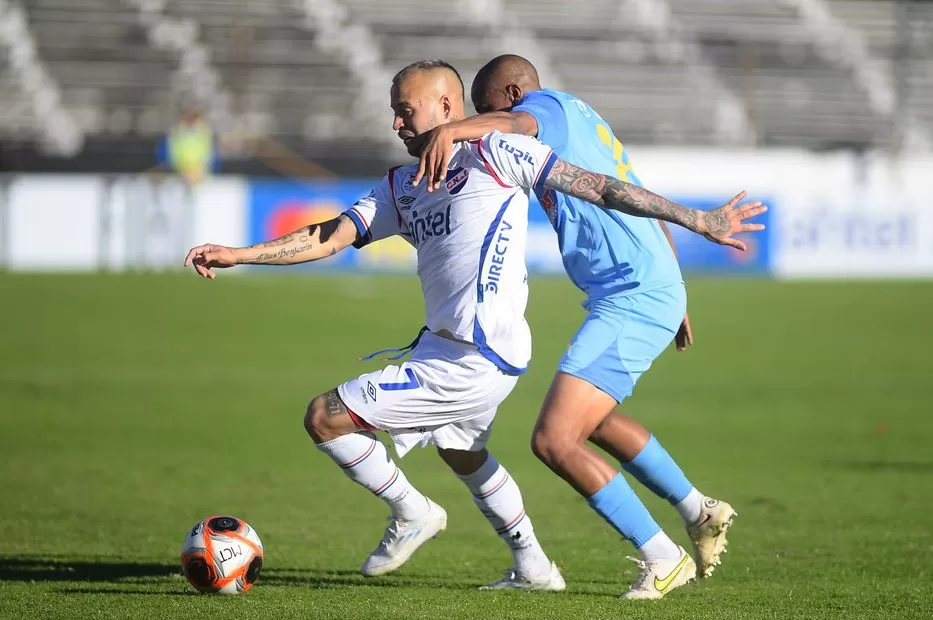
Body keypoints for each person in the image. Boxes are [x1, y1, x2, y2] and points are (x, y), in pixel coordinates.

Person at [184, 59, 764, 593]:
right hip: (449, 348)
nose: (395, 122)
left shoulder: (498, 153)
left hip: (474, 356)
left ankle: (414, 512)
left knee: (325, 418)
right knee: (462, 451)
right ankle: (534, 564)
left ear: (445, 107)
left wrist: (694, 220)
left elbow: (603, 186)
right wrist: (240, 254)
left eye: (405, 109)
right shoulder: (399, 186)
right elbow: (330, 235)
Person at [412, 54, 756, 599]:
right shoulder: (580, 126)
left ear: (510, 92)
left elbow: (513, 123)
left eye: (487, 111)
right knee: (593, 423)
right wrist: (674, 286)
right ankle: (700, 511)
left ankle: (662, 557)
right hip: (641, 290)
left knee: (553, 439)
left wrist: (454, 127)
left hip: (632, 297)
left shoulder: (545, 109)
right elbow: (630, 190)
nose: (485, 128)